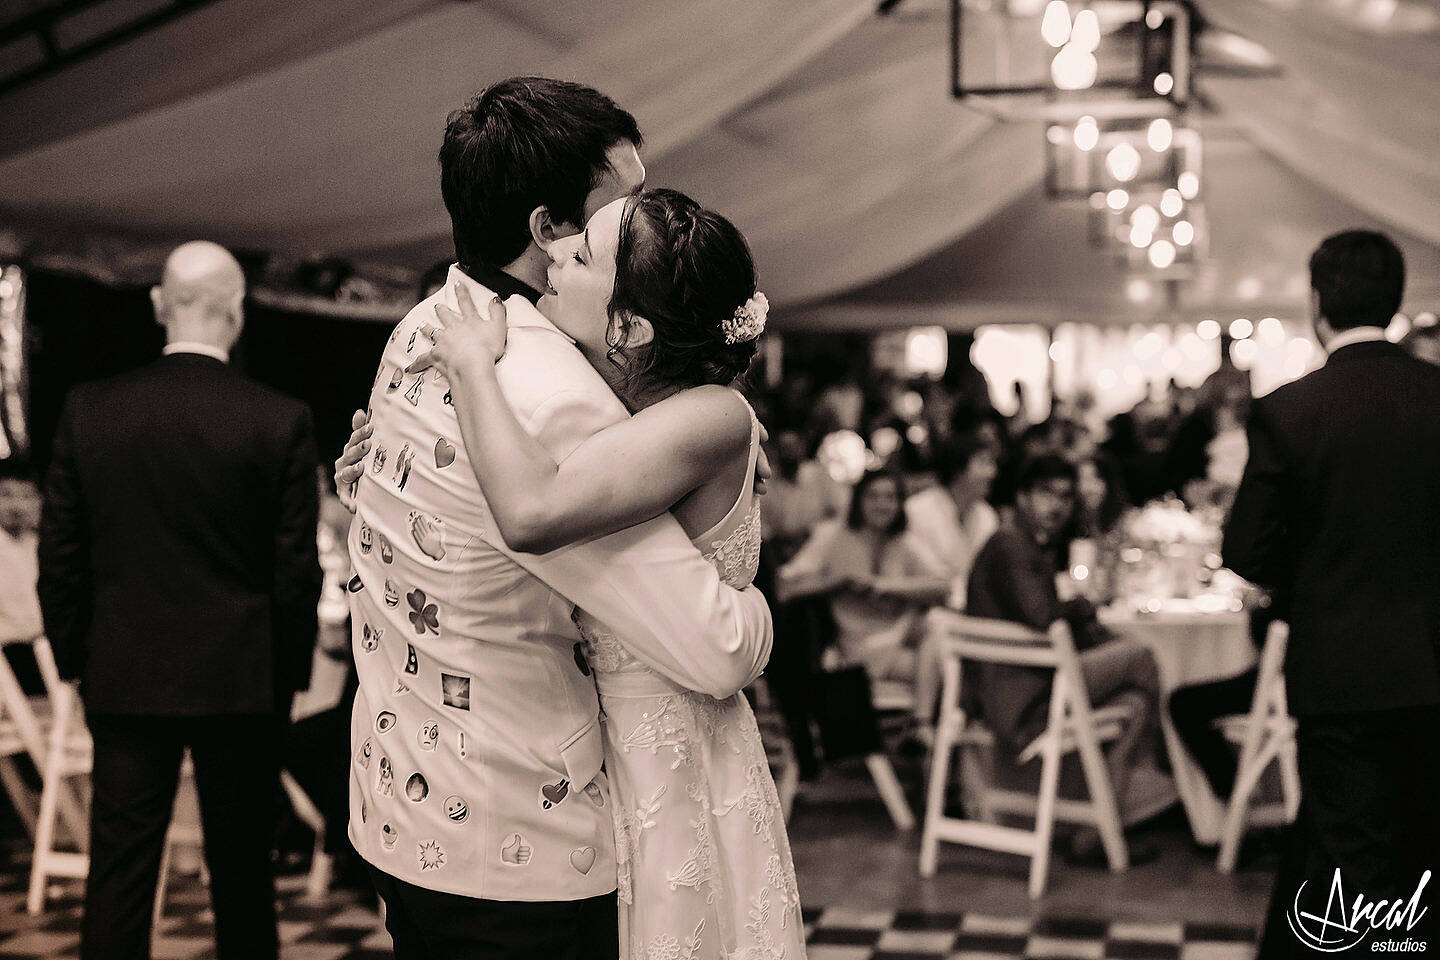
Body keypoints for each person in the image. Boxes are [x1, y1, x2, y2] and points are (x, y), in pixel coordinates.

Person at [333, 81, 773, 960]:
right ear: (550, 232)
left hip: (402, 809)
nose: (647, 218)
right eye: (622, 206)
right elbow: (712, 643)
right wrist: (759, 608)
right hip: (517, 843)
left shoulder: (424, 324)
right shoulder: (548, 393)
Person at [37, 240, 321, 960]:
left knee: (120, 876)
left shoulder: (91, 410)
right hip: (240, 679)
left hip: (125, 673)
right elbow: (294, 573)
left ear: (160, 305)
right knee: (242, 879)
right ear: (237, 309)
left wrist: (77, 658)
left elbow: (61, 555)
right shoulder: (278, 418)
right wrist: (285, 676)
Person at [1224, 230, 1440, 956]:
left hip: (1340, 674)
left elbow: (1246, 552)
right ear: (1396, 301)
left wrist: (1303, 573)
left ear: (1318, 303)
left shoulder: (1291, 410)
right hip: (1436, 668)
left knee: (1360, 864)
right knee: (1422, 849)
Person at [964, 455, 1162, 858]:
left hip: (1029, 683)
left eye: (1066, 497)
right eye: (1045, 494)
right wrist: (1081, 608)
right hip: (1023, 695)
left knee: (1135, 703)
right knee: (1140, 657)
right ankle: (1163, 767)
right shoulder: (1009, 546)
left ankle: (1097, 831)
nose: (1056, 506)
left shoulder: (1025, 545)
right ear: (1021, 498)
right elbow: (1043, 616)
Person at [779, 469, 949, 684]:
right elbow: (787, 586)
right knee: (945, 668)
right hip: (860, 646)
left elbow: (943, 585)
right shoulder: (833, 536)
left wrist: (887, 586)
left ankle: (922, 719)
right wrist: (839, 582)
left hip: (901, 635)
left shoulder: (902, 541)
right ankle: (926, 718)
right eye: (873, 496)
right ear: (858, 500)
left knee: (938, 632)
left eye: (890, 497)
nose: (882, 504)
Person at [903, 439, 999, 610]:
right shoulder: (917, 509)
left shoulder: (987, 516)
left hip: (973, 608)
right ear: (958, 469)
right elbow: (924, 574)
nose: (992, 472)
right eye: (983, 462)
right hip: (924, 606)